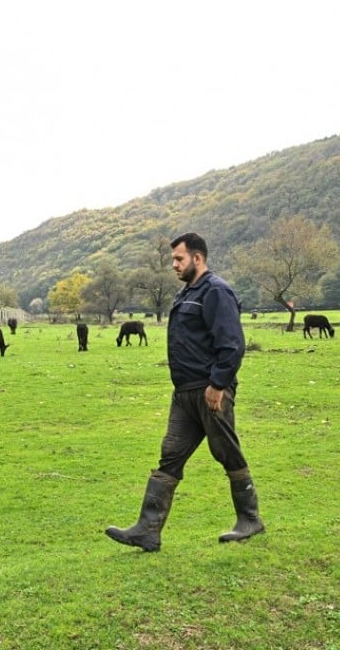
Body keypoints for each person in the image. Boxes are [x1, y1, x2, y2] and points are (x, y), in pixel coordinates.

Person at [106, 232, 264, 552]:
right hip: (184, 394)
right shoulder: (185, 294)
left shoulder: (216, 292)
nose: (174, 265)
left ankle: (250, 519)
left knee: (226, 451)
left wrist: (218, 385)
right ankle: (147, 531)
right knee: (170, 455)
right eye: (173, 260)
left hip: (209, 390)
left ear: (197, 257)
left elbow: (232, 344)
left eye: (179, 259)